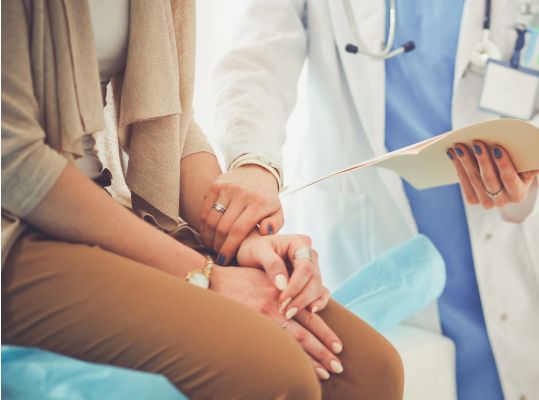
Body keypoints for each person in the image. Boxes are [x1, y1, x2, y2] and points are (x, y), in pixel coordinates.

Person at [1, 1, 403, 399]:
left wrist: (238, 235)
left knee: (369, 370)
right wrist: (206, 276)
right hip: (17, 228)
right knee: (274, 374)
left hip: (101, 204)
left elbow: (169, 119)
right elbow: (14, 161)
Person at [214, 0, 539, 398]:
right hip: (372, 248)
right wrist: (254, 162)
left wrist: (529, 169)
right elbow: (256, 61)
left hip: (507, 252)